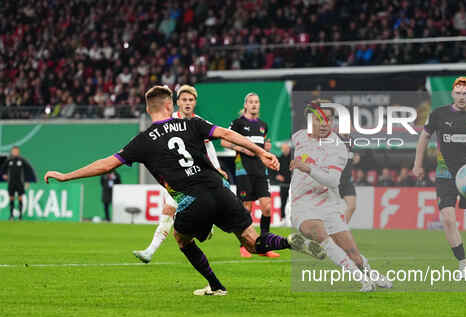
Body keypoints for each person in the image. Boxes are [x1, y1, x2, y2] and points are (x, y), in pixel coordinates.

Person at [44, 85, 324, 296]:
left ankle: (215, 285)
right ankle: (291, 242)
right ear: (169, 105)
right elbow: (227, 135)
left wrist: (67, 176)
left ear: (148, 109)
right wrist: (260, 153)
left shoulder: (141, 141)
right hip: (220, 188)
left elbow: (106, 165)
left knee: (181, 238)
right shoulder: (192, 123)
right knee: (252, 241)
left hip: (192, 200)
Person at [291, 100, 391, 292]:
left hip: (328, 203)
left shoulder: (338, 147)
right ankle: (362, 281)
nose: (324, 124)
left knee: (354, 254)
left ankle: (372, 274)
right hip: (302, 203)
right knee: (319, 233)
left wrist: (307, 167)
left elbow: (333, 181)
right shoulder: (299, 137)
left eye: (328, 119)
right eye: (319, 119)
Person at [413, 76, 466, 280]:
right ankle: (463, 265)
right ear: (453, 94)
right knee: (448, 219)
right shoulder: (438, 114)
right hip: (445, 174)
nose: (462, 97)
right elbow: (423, 138)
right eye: (459, 93)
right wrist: (417, 164)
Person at [132, 85, 227, 263]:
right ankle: (150, 251)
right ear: (177, 102)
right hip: (176, 176)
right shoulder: (169, 120)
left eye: (191, 100)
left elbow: (209, 148)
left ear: (195, 102)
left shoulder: (198, 122)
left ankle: (207, 225)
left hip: (197, 177)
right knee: (168, 208)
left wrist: (216, 168)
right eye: (184, 100)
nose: (187, 103)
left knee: (197, 222)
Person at [221, 93, 278, 258]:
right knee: (247, 208)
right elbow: (224, 141)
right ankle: (244, 245)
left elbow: (264, 144)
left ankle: (264, 245)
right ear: (245, 105)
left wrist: (266, 147)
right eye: (251, 102)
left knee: (267, 207)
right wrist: (242, 148)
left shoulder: (263, 125)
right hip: (243, 169)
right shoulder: (238, 123)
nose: (254, 105)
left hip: (261, 170)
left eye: (257, 102)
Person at [0, 146, 36, 220]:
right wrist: (4, 174)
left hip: (19, 183)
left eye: (16, 151)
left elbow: (28, 170)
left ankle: (20, 216)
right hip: (11, 183)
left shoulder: (22, 160)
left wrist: (27, 181)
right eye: (14, 151)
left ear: (18, 152)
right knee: (11, 198)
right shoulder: (9, 160)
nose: (15, 152)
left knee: (20, 198)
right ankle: (11, 215)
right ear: (12, 152)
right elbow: (3, 168)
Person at [338, 134, 357, 223]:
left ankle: (341, 228)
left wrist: (355, 158)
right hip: (335, 179)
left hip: (347, 180)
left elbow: (355, 158)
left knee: (352, 206)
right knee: (328, 209)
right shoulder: (334, 139)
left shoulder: (351, 140)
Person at [271, 142, 291, 225]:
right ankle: (282, 219)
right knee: (283, 201)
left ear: (289, 149)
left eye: (286, 148)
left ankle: (291, 220)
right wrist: (277, 176)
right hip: (283, 184)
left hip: (292, 184)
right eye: (283, 148)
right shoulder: (280, 158)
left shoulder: (293, 159)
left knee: (293, 203)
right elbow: (274, 171)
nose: (284, 150)